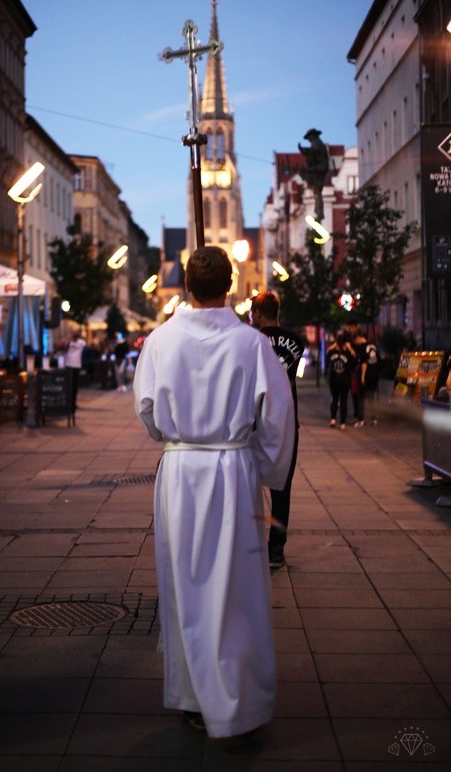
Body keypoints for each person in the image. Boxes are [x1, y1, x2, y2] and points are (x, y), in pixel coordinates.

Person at [133, 246, 295, 740]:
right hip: (232, 472)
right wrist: (267, 472)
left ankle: (193, 695)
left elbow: (145, 410)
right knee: (237, 588)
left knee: (185, 582)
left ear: (186, 284)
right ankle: (236, 695)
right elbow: (276, 418)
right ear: (231, 287)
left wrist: (175, 435)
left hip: (182, 472)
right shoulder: (252, 345)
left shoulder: (160, 342)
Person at [250, 290, 305, 570]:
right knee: (282, 486)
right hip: (286, 418)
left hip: (256, 419)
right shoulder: (297, 341)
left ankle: (248, 543)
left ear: (260, 312)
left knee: (248, 481)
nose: (251, 317)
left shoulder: (252, 341)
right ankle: (276, 547)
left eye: (253, 312)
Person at [325, 331, 356, 429]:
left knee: (334, 399)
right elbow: (354, 362)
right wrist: (350, 348)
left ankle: (333, 419)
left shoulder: (331, 352)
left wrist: (332, 346)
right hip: (345, 380)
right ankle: (342, 423)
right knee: (343, 400)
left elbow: (326, 360)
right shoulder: (348, 353)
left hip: (334, 379)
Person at [347, 320, 368, 426]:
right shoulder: (350, 338)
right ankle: (356, 415)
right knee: (354, 393)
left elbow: (362, 358)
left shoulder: (361, 340)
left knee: (359, 394)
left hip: (358, 371)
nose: (349, 329)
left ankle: (360, 417)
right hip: (352, 370)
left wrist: (350, 348)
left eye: (351, 327)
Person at [65, 329, 86, 410]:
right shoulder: (69, 342)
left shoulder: (81, 342)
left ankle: (73, 403)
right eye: (73, 334)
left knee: (74, 386)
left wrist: (78, 335)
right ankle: (69, 403)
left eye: (75, 334)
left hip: (76, 366)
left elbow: (85, 343)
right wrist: (69, 340)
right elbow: (64, 348)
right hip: (68, 365)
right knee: (69, 385)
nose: (74, 335)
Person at [362, 335, 380, 425]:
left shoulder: (365, 348)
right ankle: (374, 417)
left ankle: (361, 418)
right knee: (372, 396)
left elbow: (364, 363)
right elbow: (380, 361)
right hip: (375, 374)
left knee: (364, 396)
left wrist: (362, 376)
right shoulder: (375, 348)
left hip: (368, 375)